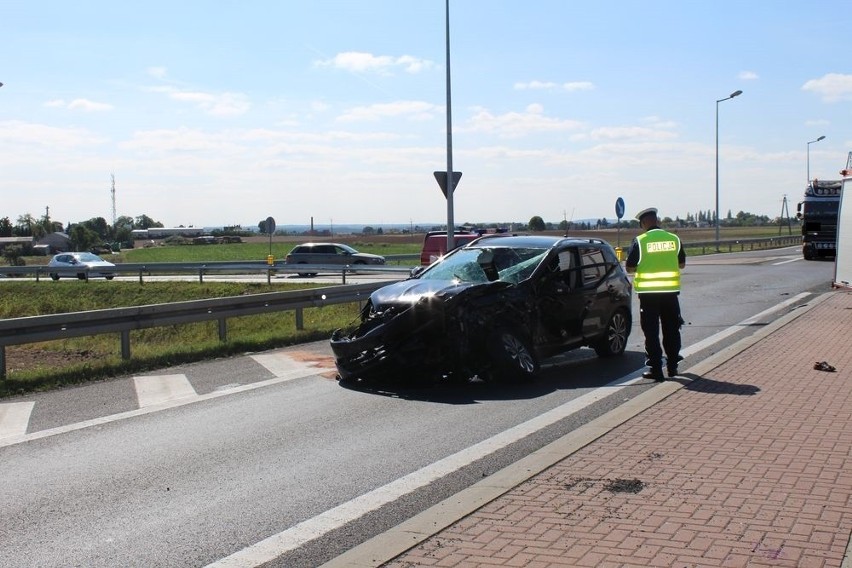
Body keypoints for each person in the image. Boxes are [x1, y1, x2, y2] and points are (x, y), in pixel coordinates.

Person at [624, 207, 686, 381]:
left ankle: (656, 371)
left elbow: (629, 267)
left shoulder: (640, 241)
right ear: (657, 220)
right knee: (672, 330)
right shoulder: (674, 239)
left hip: (648, 295)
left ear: (643, 223)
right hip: (670, 294)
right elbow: (681, 264)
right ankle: (673, 367)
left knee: (651, 333)